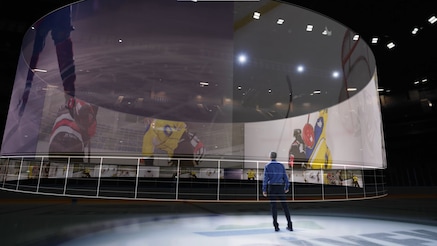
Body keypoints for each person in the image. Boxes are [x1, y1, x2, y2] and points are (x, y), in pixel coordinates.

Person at [262, 151, 293, 232]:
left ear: (270, 157)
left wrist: (264, 190)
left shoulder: (267, 166)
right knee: (285, 206)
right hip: (280, 187)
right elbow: (285, 177)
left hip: (272, 187)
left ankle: (276, 226)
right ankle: (290, 225)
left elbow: (265, 179)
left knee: (273, 207)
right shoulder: (281, 165)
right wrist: (287, 186)